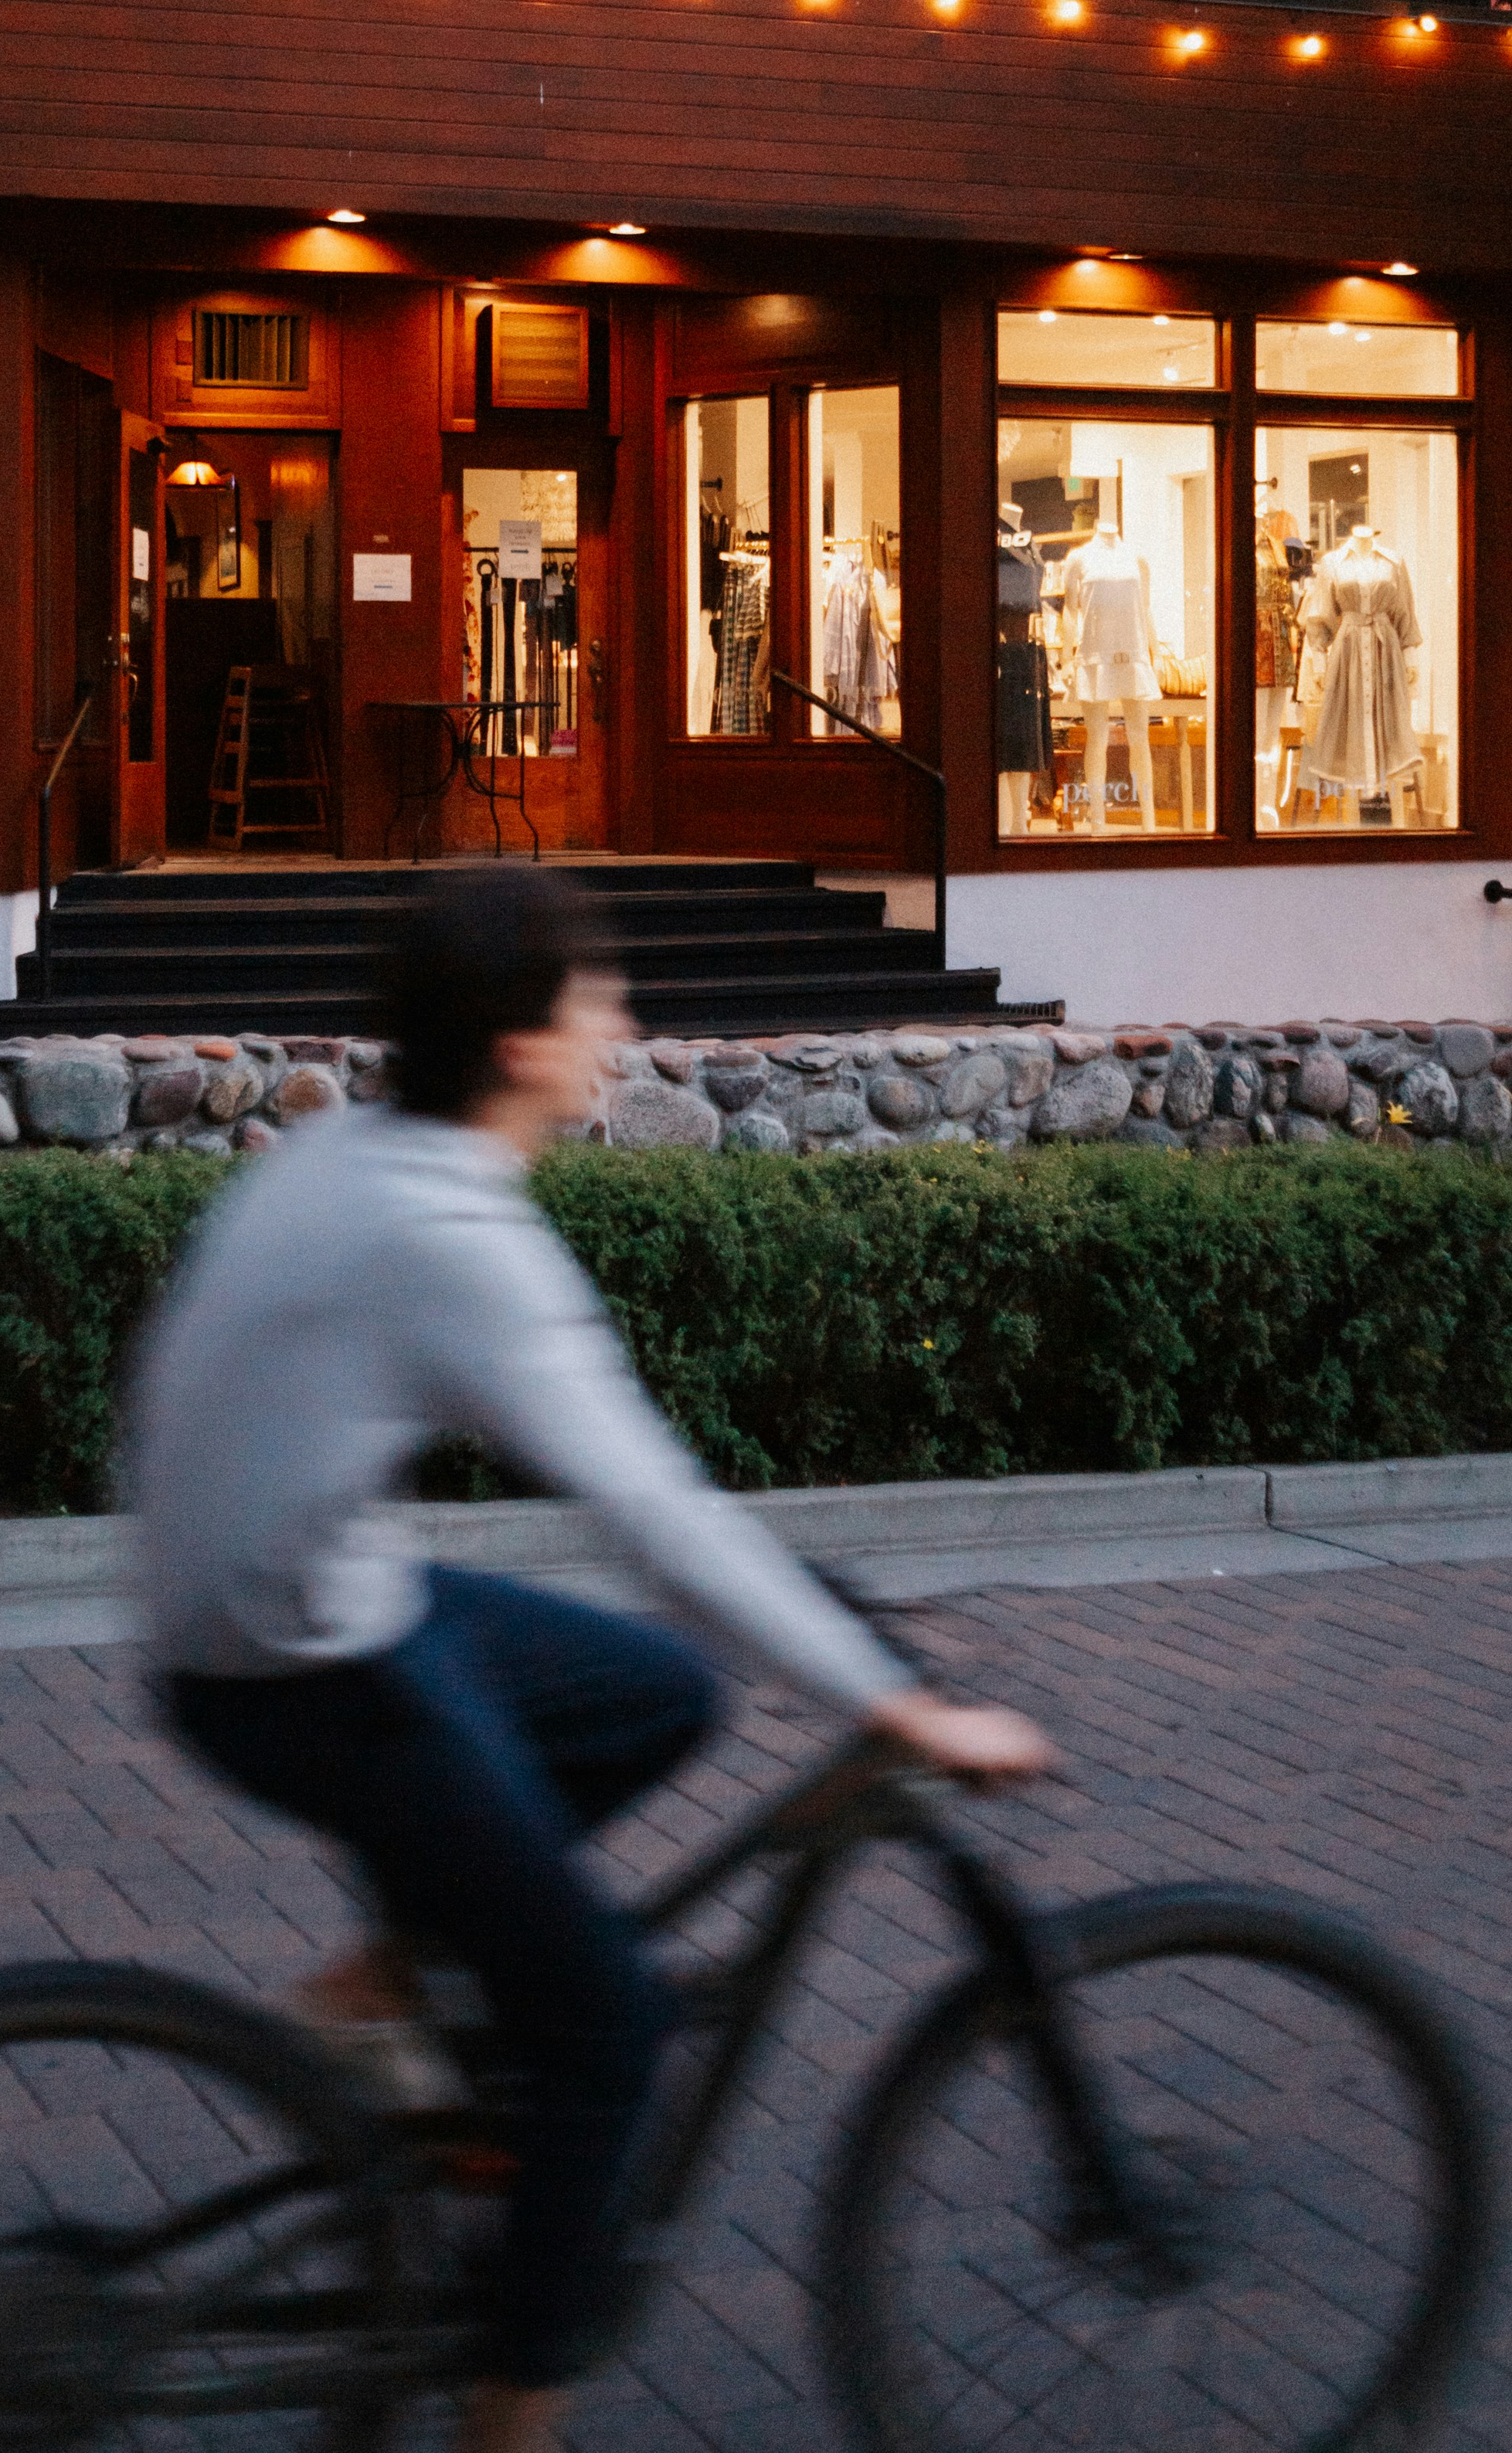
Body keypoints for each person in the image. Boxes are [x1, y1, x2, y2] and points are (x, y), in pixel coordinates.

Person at [129, 868, 1054, 2453]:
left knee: (659, 1689)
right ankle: (512, 2416)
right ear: (515, 1043)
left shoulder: (358, 1146)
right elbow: (653, 1512)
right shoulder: (452, 1235)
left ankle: (395, 1982)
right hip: (292, 1668)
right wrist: (893, 1701)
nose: (621, 1024)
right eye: (595, 1000)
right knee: (608, 2026)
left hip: (272, 1606)